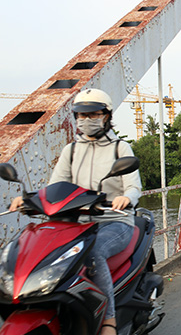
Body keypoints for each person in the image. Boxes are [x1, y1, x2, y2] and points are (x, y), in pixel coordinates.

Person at [10, 88, 141, 335]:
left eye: (92, 114)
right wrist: (28, 199)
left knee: (93, 254)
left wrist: (126, 197)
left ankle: (109, 321)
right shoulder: (70, 150)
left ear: (106, 115)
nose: (86, 120)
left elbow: (133, 185)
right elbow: (54, 186)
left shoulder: (120, 149)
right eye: (81, 115)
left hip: (114, 220)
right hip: (76, 222)